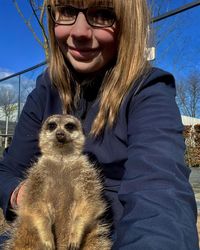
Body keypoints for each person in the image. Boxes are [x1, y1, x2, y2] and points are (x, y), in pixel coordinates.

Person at [0, 0, 198, 249]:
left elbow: (161, 199)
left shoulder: (147, 92)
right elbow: (6, 172)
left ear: (129, 24)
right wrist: (22, 195)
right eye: (68, 11)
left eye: (103, 14)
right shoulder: (45, 90)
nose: (79, 32)